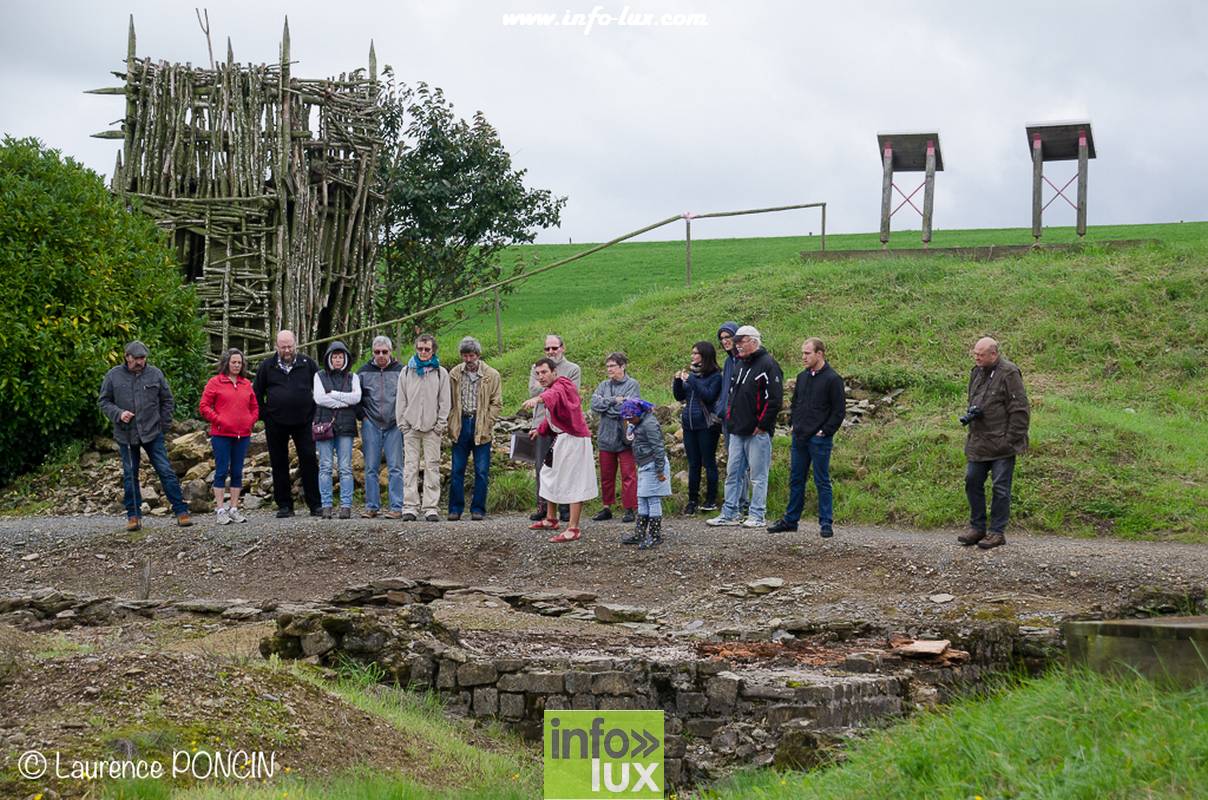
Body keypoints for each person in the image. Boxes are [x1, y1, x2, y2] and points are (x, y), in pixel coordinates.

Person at [98, 340, 192, 531]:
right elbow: (104, 401)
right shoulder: (113, 375)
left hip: (152, 432)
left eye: (143, 358)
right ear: (127, 357)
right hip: (126, 434)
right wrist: (118, 414)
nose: (141, 361)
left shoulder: (155, 373)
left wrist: (163, 425)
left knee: (165, 471)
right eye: (137, 358)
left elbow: (167, 400)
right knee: (130, 475)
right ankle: (133, 516)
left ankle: (181, 511)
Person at [768, 338, 846, 537]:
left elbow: (838, 411)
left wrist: (825, 431)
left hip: (819, 439)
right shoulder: (802, 377)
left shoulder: (833, 379)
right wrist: (794, 423)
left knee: (822, 480)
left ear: (819, 354)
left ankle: (826, 522)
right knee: (796, 479)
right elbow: (796, 403)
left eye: (807, 353)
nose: (803, 357)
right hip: (800, 436)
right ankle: (791, 520)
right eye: (802, 353)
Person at [707, 325, 782, 529]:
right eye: (736, 341)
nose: (737, 345)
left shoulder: (769, 365)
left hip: (757, 431)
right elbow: (732, 395)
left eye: (741, 341)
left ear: (754, 341)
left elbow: (774, 400)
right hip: (737, 429)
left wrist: (763, 425)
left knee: (757, 475)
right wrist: (730, 420)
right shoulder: (739, 365)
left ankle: (757, 514)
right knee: (733, 474)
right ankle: (730, 512)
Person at [958, 337, 1030, 550]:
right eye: (975, 354)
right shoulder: (976, 371)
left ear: (994, 354)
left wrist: (1011, 439)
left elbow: (1020, 409)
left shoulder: (1009, 373)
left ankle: (997, 532)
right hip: (979, 440)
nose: (977, 357)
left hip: (1003, 443)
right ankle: (977, 527)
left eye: (981, 354)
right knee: (972, 481)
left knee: (1000, 488)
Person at [522, 357, 597, 542]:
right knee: (548, 473)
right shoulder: (552, 389)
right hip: (563, 439)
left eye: (544, 372)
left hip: (575, 440)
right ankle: (551, 518)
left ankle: (573, 528)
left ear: (554, 372)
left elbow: (554, 395)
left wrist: (538, 398)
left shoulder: (564, 384)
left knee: (574, 481)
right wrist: (539, 430)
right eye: (538, 373)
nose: (540, 376)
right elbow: (554, 417)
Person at [253, 330, 322, 518]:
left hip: (305, 421)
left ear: (296, 344)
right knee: (278, 462)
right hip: (276, 422)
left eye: (290, 346)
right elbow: (256, 393)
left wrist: (315, 412)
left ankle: (315, 504)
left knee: (308, 459)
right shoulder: (267, 366)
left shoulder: (308, 364)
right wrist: (265, 415)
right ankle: (284, 505)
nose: (287, 350)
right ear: (276, 346)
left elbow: (321, 389)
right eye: (283, 347)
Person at [198, 348, 259, 525]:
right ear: (226, 363)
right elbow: (204, 406)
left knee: (237, 471)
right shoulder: (215, 382)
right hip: (221, 434)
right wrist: (219, 420)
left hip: (242, 434)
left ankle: (234, 508)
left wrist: (250, 421)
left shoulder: (246, 383)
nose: (236, 365)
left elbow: (254, 407)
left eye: (239, 362)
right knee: (221, 470)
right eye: (233, 362)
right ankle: (220, 509)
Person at [396, 333, 450, 522]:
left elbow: (445, 401)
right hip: (411, 426)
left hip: (431, 428)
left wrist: (440, 424)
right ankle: (410, 506)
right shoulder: (406, 371)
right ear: (416, 349)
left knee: (432, 467)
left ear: (433, 350)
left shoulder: (440, 372)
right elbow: (401, 399)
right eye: (420, 348)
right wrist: (403, 424)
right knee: (410, 467)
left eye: (427, 349)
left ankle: (430, 507)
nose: (423, 352)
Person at [447, 336, 502, 521]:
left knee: (481, 470)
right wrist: (450, 421)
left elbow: (497, 402)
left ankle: (478, 509)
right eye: (464, 356)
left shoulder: (491, 375)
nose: (468, 360)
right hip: (460, 424)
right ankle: (455, 509)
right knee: (457, 469)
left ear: (478, 355)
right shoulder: (454, 374)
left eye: (471, 355)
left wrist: (488, 422)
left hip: (481, 425)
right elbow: (448, 400)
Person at [528, 334, 581, 522]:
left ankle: (565, 508)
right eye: (547, 349)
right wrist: (546, 389)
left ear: (562, 348)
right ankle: (543, 507)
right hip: (542, 423)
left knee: (564, 467)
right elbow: (532, 390)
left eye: (554, 348)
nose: (551, 352)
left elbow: (569, 394)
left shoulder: (573, 369)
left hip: (563, 426)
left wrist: (545, 390)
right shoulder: (537, 366)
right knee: (542, 466)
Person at [672, 341, 723, 515]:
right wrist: (677, 381)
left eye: (696, 353)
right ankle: (692, 500)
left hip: (706, 425)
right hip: (689, 424)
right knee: (693, 463)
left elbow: (708, 396)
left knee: (708, 462)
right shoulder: (692, 374)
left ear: (705, 356)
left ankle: (711, 499)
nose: (692, 356)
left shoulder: (716, 376)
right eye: (692, 353)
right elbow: (680, 396)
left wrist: (692, 380)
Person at [357, 336, 405, 519]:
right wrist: (363, 417)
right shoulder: (363, 372)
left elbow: (407, 395)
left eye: (384, 352)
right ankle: (372, 506)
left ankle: (396, 506)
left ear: (391, 352)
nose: (381, 355)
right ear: (372, 353)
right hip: (372, 423)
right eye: (377, 352)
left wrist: (401, 417)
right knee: (371, 467)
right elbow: (356, 398)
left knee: (395, 467)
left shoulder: (401, 371)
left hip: (394, 423)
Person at [313, 341, 362, 519]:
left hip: (346, 426)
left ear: (346, 358)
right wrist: (344, 401)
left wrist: (332, 394)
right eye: (334, 356)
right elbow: (319, 398)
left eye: (340, 356)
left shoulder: (353, 377)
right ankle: (326, 505)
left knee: (345, 467)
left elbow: (356, 397)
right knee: (325, 466)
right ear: (329, 358)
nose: (338, 360)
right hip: (324, 424)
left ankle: (346, 505)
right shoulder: (319, 376)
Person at [590, 352, 640, 523]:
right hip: (605, 437)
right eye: (608, 366)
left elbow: (628, 408)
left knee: (628, 474)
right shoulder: (603, 385)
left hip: (625, 437)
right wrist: (613, 400)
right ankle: (607, 507)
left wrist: (608, 406)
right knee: (606, 475)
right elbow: (594, 404)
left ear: (622, 366)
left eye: (612, 366)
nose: (609, 369)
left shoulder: (632, 384)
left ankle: (630, 508)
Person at [619, 399, 672, 550]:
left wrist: (660, 470)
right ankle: (640, 533)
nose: (628, 420)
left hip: (653, 465)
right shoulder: (638, 423)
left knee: (653, 499)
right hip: (644, 465)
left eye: (630, 418)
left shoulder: (649, 424)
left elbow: (658, 447)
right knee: (642, 498)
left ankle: (655, 536)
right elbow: (630, 440)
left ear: (638, 413)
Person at [714, 320, 748, 514]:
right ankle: (736, 503)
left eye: (728, 337)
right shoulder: (729, 362)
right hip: (727, 419)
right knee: (734, 464)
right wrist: (720, 409)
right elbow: (725, 390)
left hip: (742, 419)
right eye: (722, 339)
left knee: (743, 464)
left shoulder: (744, 360)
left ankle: (744, 504)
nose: (725, 341)